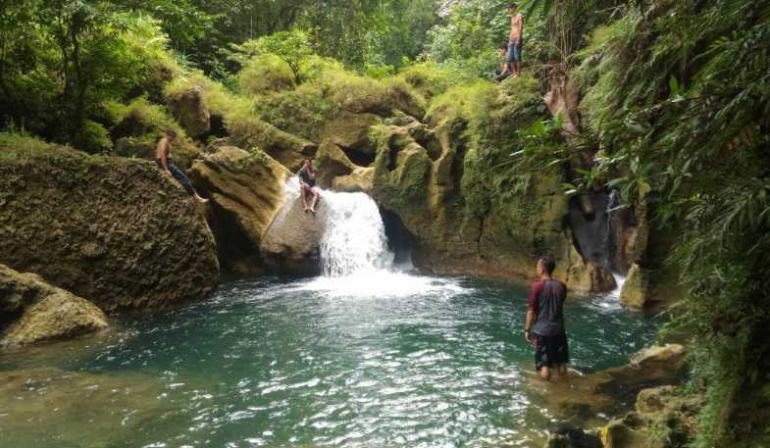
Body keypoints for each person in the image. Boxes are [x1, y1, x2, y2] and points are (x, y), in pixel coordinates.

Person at [524, 256, 569, 381]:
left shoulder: (537, 287)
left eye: (537, 266)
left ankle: (546, 389)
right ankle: (563, 385)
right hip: (559, 329)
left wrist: (527, 329)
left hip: (542, 330)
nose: (536, 268)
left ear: (543, 269)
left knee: (544, 364)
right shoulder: (562, 286)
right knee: (561, 362)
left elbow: (531, 310)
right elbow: (560, 305)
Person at [155, 129, 208, 203]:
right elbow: (162, 154)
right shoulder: (165, 141)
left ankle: (195, 195)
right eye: (173, 137)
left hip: (166, 162)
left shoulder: (164, 141)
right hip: (166, 163)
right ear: (170, 136)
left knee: (182, 177)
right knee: (183, 177)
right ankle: (196, 197)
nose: (173, 139)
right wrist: (166, 169)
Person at [507, 3, 524, 78]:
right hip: (511, 39)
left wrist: (519, 38)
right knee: (510, 57)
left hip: (517, 38)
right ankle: (514, 73)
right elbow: (512, 29)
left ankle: (518, 74)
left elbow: (520, 27)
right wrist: (509, 40)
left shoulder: (519, 16)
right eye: (508, 9)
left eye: (510, 8)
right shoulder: (511, 17)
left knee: (517, 56)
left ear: (514, 8)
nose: (508, 10)